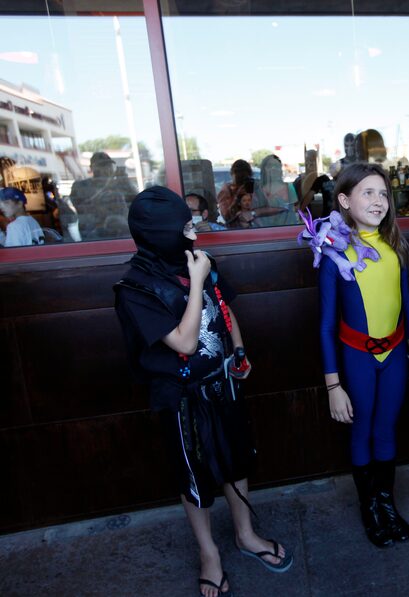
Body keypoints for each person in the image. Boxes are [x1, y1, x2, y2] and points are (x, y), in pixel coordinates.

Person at [114, 186, 293, 597]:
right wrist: (194, 281)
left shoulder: (201, 262)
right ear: (159, 233)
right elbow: (184, 343)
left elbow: (224, 308)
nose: (193, 233)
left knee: (236, 459)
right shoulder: (135, 287)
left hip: (222, 383)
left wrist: (241, 350)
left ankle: (245, 535)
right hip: (180, 398)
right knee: (193, 476)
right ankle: (209, 554)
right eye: (184, 226)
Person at [315, 163, 409, 548]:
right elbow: (327, 326)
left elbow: (406, 302)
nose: (378, 201)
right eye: (368, 193)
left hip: (395, 356)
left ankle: (386, 504)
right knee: (362, 430)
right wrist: (333, 385)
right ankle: (370, 508)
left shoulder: (394, 245)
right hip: (357, 359)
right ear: (345, 200)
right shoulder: (335, 254)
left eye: (383, 193)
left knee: (386, 430)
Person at [67, 151, 137, 240]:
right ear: (92, 168)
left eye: (109, 165)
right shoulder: (81, 186)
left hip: (122, 233)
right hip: (93, 235)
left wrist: (127, 183)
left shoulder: (118, 184)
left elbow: (137, 203)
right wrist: (107, 186)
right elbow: (83, 208)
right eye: (102, 166)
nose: (106, 169)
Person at [251, 154, 298, 227]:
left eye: (277, 166)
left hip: (288, 231)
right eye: (270, 166)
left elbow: (295, 210)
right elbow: (255, 215)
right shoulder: (258, 191)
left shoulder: (289, 187)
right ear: (264, 169)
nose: (274, 168)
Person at [216, 159, 252, 223]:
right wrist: (237, 196)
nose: (242, 178)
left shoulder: (254, 186)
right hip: (236, 229)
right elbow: (226, 216)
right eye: (239, 174)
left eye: (244, 175)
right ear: (233, 174)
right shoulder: (227, 190)